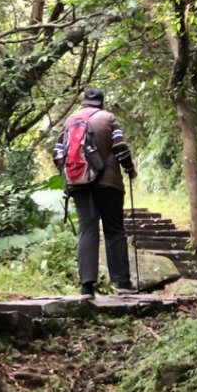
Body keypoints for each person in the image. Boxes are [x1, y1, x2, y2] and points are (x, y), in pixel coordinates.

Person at [54, 86, 137, 298]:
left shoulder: (70, 121)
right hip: (108, 183)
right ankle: (123, 284)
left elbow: (58, 152)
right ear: (102, 102)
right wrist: (130, 169)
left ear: (83, 102)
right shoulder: (108, 118)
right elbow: (120, 148)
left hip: (79, 185)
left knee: (87, 229)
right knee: (114, 230)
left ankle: (87, 287)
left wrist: (72, 175)